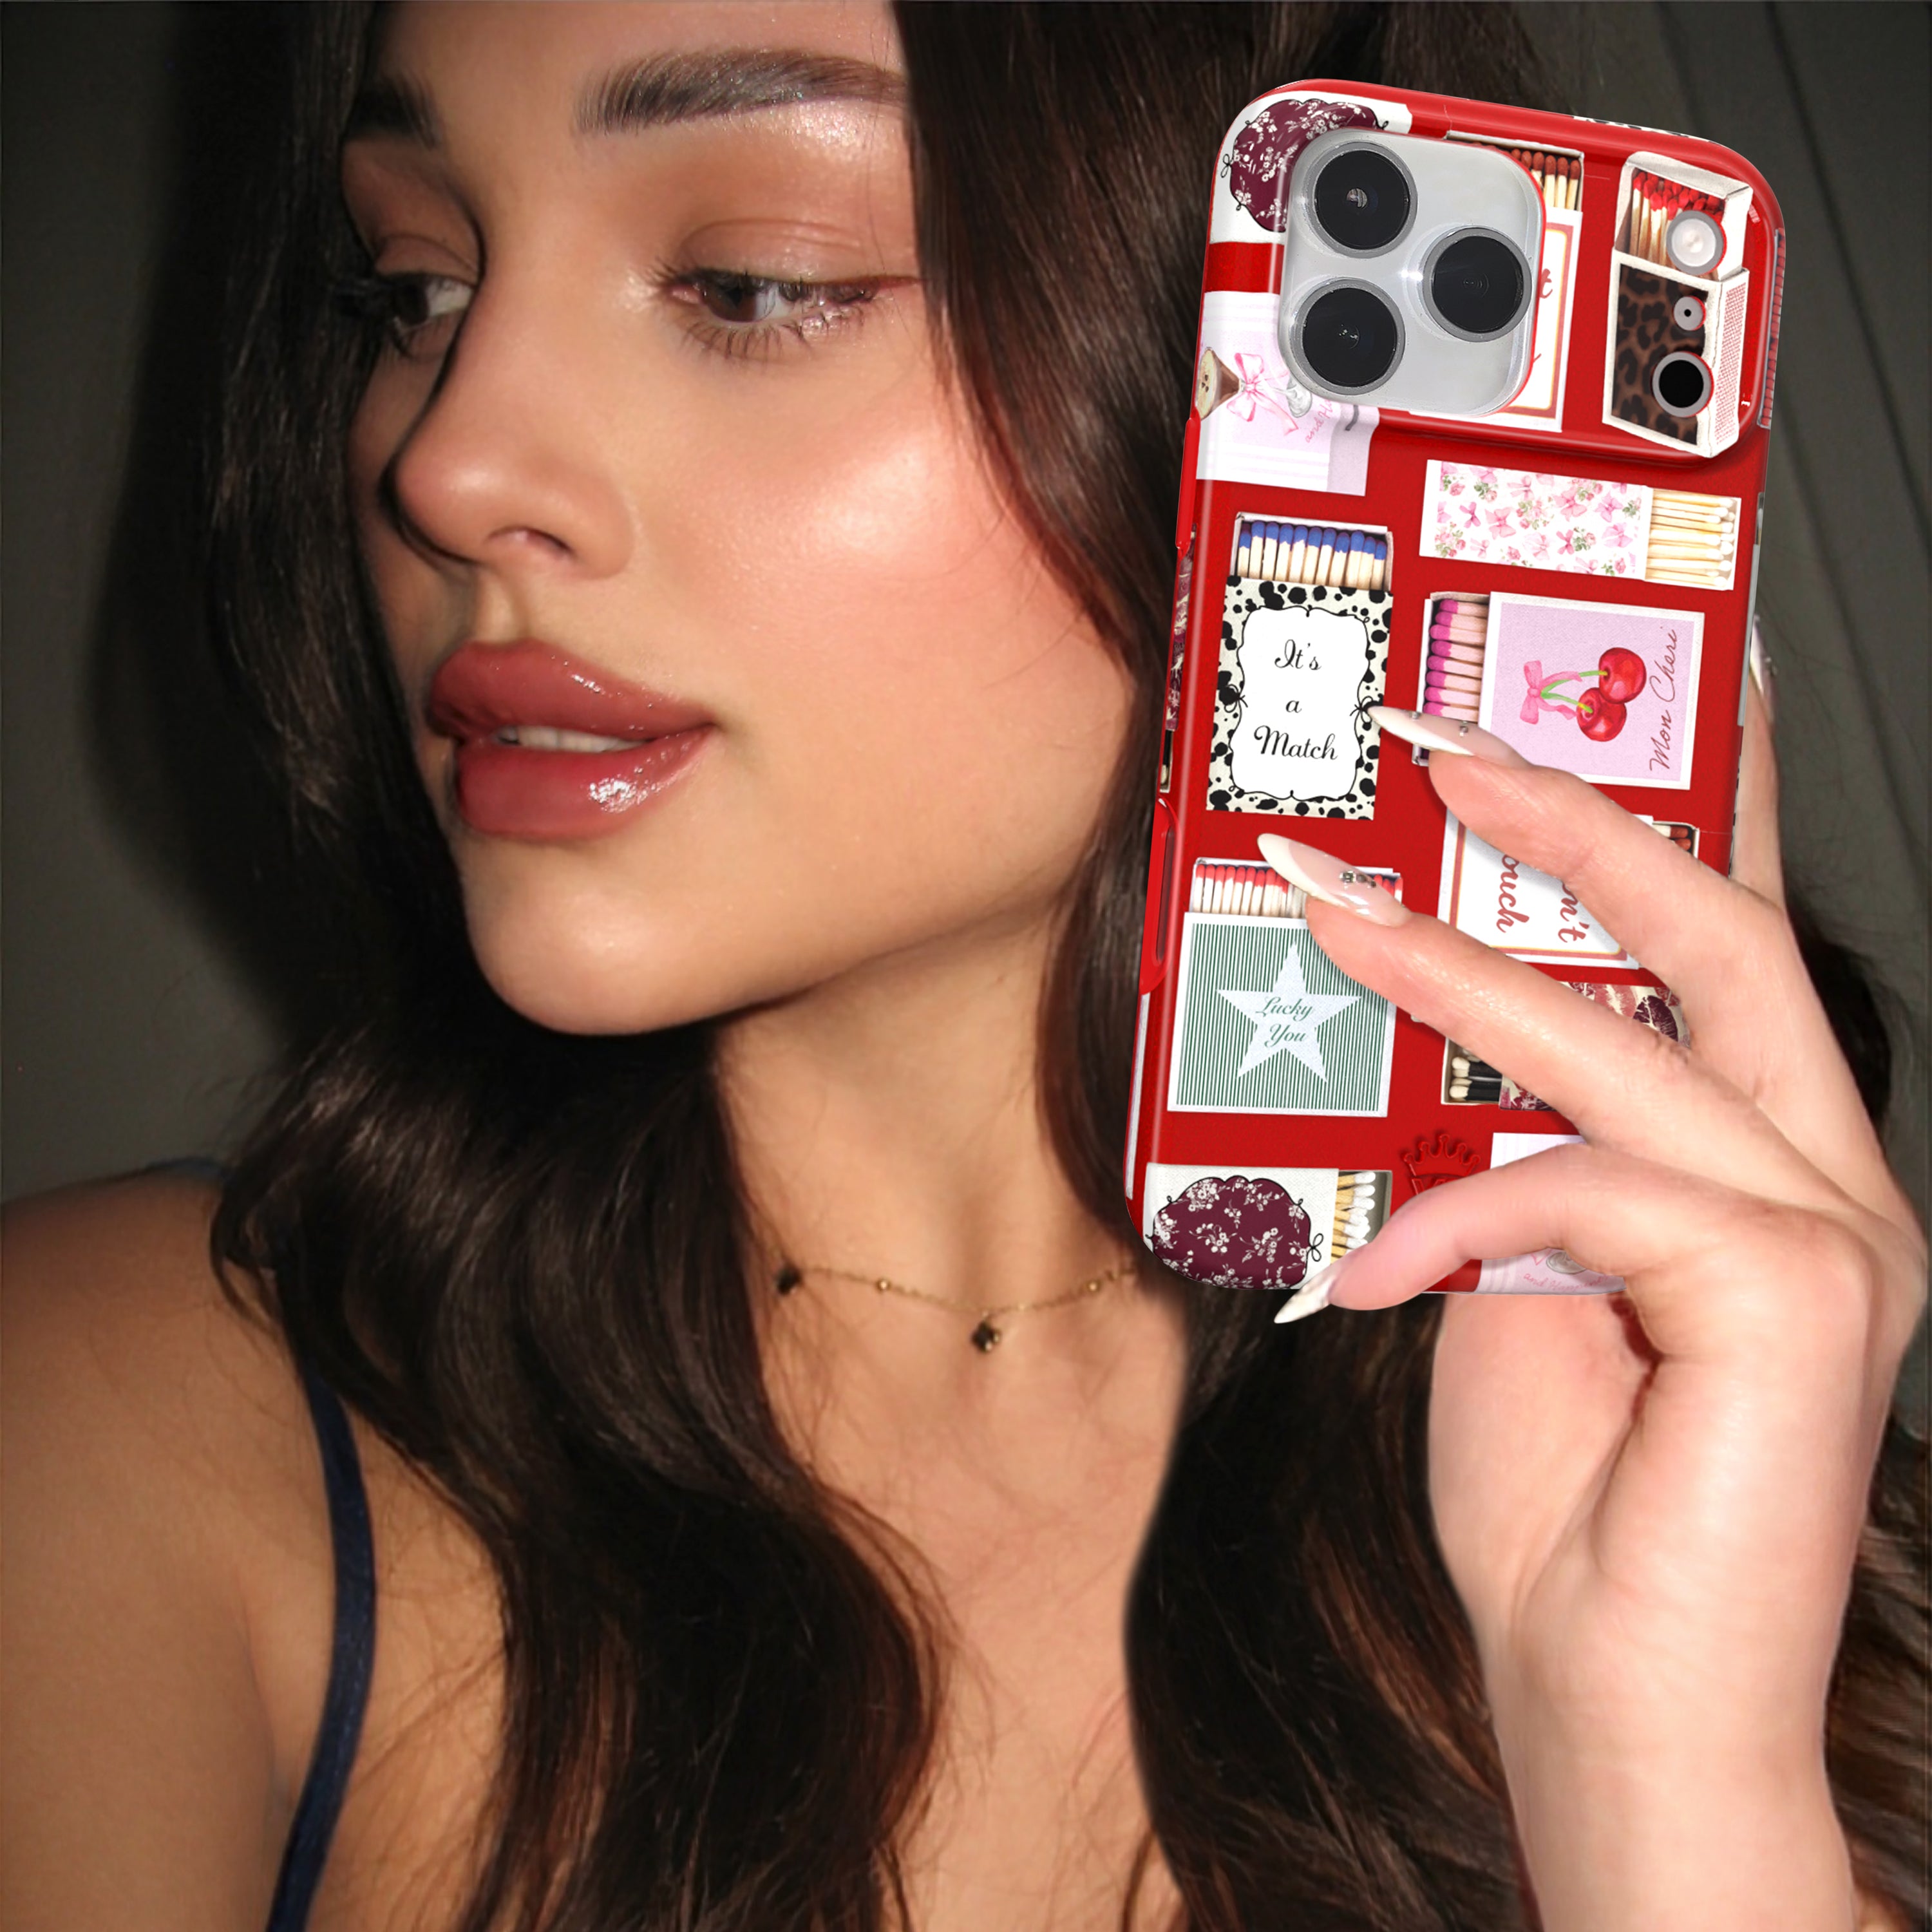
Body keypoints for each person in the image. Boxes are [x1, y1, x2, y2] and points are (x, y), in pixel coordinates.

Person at [4, 5, 1924, 1929]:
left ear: (1269, 398)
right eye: (415, 287)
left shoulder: (1734, 1514)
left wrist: (1672, 1796)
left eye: (758, 282)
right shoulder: (100, 1431)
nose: (450, 462)